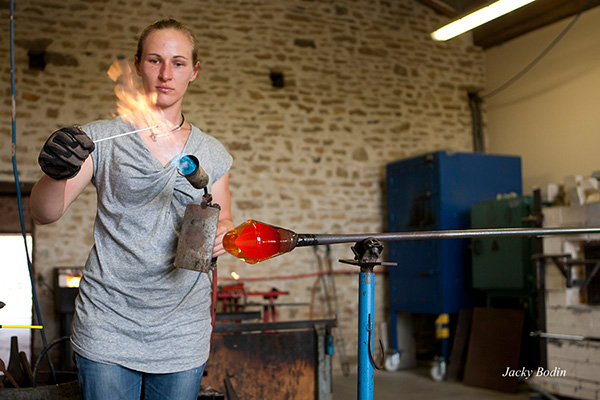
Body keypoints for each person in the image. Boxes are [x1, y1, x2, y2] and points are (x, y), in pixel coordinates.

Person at [30, 19, 233, 400]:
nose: (165, 74)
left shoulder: (212, 152)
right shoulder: (101, 139)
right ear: (138, 64)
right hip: (108, 323)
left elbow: (223, 216)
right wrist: (55, 174)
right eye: (155, 60)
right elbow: (44, 213)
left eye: (178, 62)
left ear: (194, 71)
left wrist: (223, 232)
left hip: (181, 329)